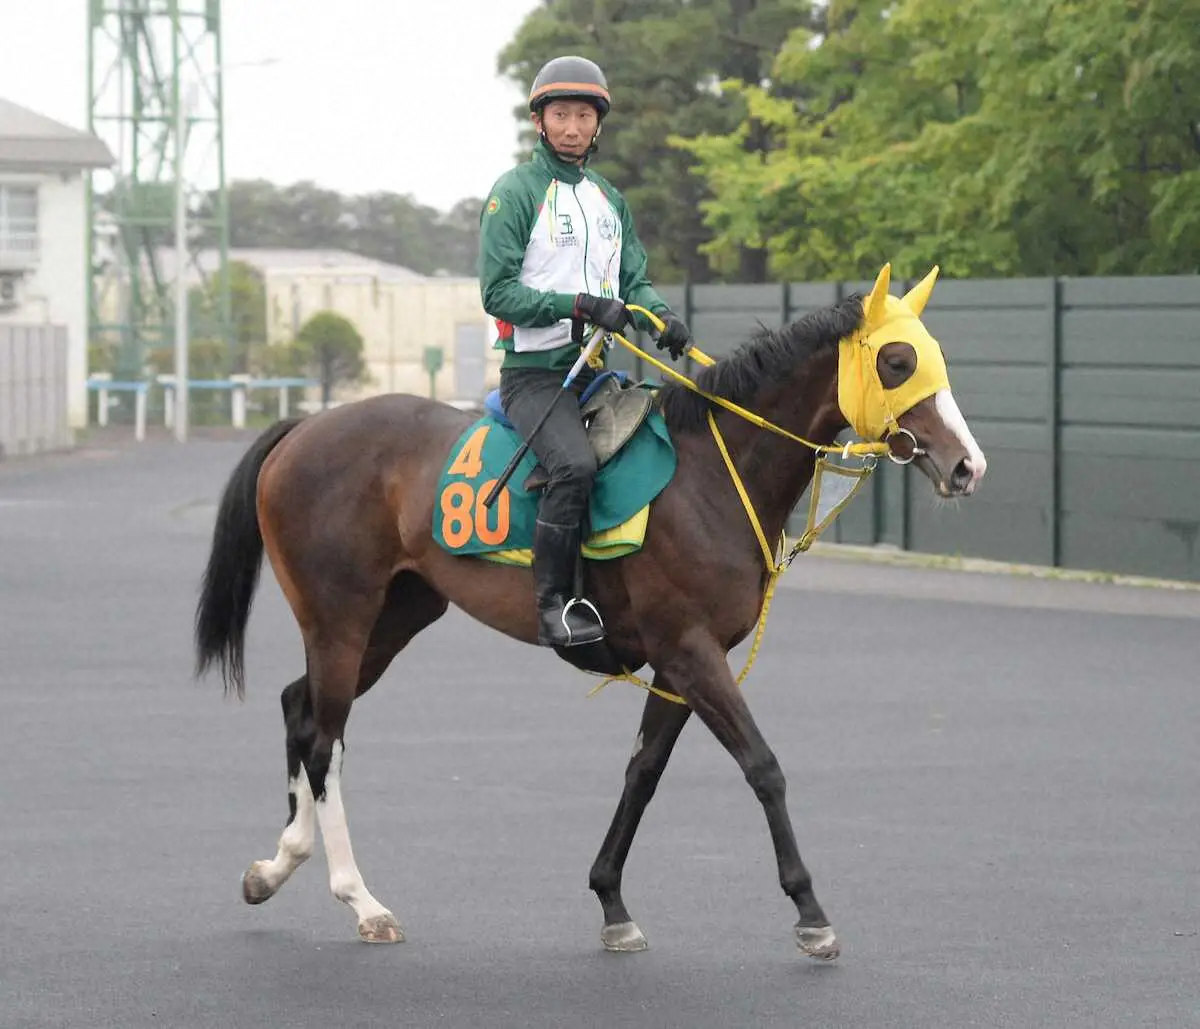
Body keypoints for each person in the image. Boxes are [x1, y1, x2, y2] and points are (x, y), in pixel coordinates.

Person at [478, 54, 692, 649]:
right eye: (560, 114)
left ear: (598, 125)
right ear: (540, 120)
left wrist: (661, 317)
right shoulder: (515, 193)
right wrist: (578, 305)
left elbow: (634, 282)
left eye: (582, 116)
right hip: (534, 377)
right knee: (573, 465)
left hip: (594, 375)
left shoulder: (608, 200)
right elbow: (497, 292)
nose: (572, 127)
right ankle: (553, 604)